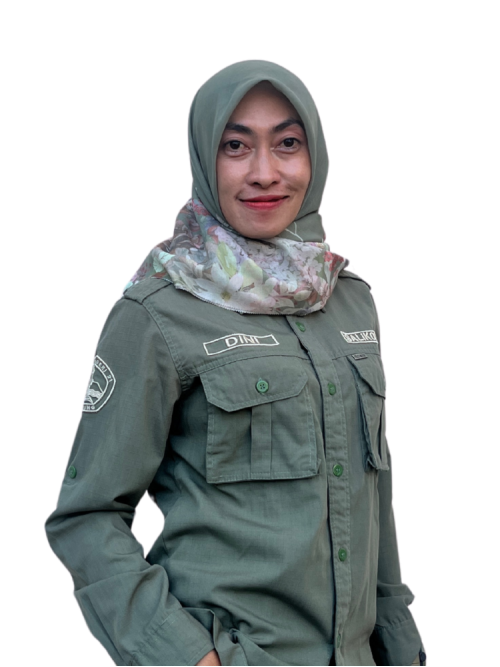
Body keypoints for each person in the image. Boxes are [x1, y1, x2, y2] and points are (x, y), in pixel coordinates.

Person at [44, 59, 427, 666]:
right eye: (236, 146)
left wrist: (404, 651)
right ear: (204, 157)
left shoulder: (349, 297)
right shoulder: (157, 310)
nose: (264, 172)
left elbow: (374, 503)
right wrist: (186, 657)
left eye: (287, 143)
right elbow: (87, 516)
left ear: (316, 155)